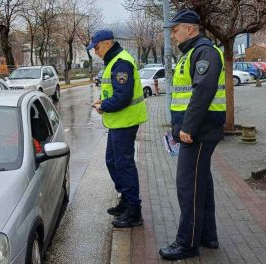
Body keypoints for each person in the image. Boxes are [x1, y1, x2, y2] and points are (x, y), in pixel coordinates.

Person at [159, 9, 226, 261]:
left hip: (197, 133)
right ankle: (208, 236)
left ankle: (187, 243)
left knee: (188, 187)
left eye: (175, 30)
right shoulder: (193, 53)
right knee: (202, 185)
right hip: (197, 131)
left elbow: (202, 92)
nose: (173, 35)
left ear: (190, 29)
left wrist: (187, 128)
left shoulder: (204, 52)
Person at [87, 29, 147, 228]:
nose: (95, 52)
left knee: (124, 164)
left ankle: (133, 210)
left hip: (126, 122)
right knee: (113, 162)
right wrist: (103, 100)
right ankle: (125, 201)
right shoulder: (114, 60)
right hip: (118, 123)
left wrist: (103, 106)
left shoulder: (121, 62)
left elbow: (123, 97)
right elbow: (115, 92)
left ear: (107, 43)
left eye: (96, 47)